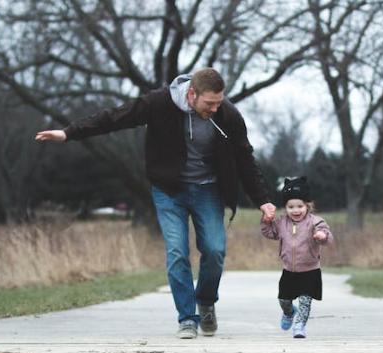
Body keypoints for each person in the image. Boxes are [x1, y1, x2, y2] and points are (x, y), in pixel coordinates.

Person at [36, 68, 276, 339]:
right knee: (177, 252)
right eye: (209, 103)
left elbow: (245, 158)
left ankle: (206, 301)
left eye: (219, 102)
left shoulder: (227, 115)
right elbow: (116, 117)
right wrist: (69, 133)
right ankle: (187, 318)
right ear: (191, 93)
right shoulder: (159, 103)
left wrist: (263, 201)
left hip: (208, 190)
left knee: (215, 250)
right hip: (169, 190)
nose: (214, 108)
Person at [260, 177, 333, 338]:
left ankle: (300, 326)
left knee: (305, 301)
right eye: (290, 207)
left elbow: (328, 235)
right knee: (284, 300)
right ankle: (289, 312)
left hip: (310, 270)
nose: (296, 210)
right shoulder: (281, 223)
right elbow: (269, 233)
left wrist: (322, 235)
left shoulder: (315, 222)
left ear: (307, 205)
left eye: (300, 206)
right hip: (289, 271)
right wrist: (266, 222)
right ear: (285, 208)